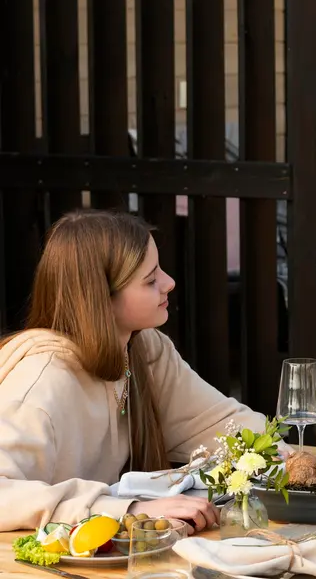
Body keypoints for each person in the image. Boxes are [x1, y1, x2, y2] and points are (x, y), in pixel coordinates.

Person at [0, 210, 274, 533]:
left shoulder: (144, 350)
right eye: (151, 279)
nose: (169, 283)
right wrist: (129, 510)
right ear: (101, 298)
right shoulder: (40, 383)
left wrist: (288, 455)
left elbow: (219, 423)